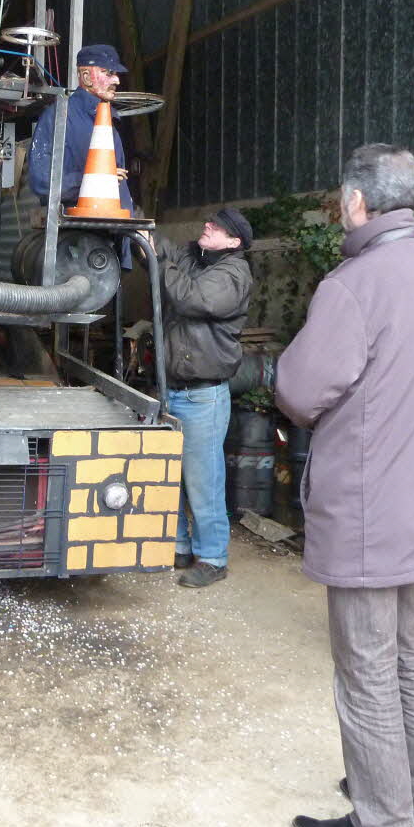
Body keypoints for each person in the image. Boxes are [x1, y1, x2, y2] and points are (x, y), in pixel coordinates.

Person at [275, 145, 414, 827]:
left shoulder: (355, 284)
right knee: (409, 654)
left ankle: (382, 824)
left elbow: (299, 391)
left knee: (364, 669)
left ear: (357, 202)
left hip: (370, 507)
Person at [153, 206, 253, 588]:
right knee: (172, 475)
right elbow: (166, 250)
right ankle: (180, 546)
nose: (208, 225)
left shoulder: (232, 274)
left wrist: (160, 261)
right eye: (210, 221)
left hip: (202, 396)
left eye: (219, 226)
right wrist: (133, 218)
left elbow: (191, 299)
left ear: (234, 241)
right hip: (174, 389)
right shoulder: (198, 260)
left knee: (203, 481)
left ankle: (213, 558)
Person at [28, 43, 134, 215]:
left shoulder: (109, 124)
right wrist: (96, 180)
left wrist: (132, 223)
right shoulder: (57, 117)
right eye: (108, 73)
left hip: (114, 225)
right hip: (77, 227)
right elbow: (42, 182)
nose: (117, 81)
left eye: (116, 74)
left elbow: (119, 187)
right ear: (86, 77)